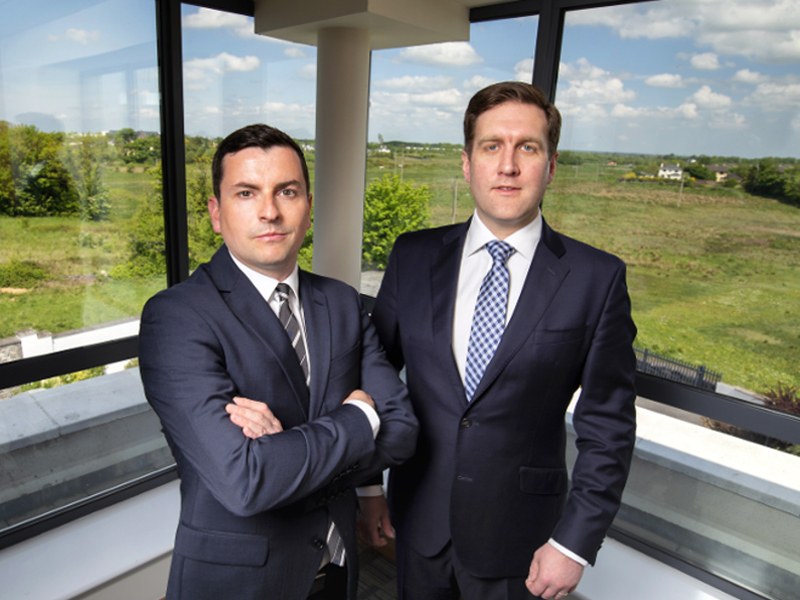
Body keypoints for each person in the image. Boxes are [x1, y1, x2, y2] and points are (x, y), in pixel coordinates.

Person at [359, 81, 638, 600]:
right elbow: (375, 376)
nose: (507, 166)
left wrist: (573, 544)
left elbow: (609, 429)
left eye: (527, 147)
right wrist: (369, 486)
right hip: (418, 523)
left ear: (550, 167)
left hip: (525, 544)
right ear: (468, 164)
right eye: (492, 147)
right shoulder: (413, 256)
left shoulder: (596, 279)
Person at [138, 123, 418, 600]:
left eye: (286, 191)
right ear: (216, 213)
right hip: (241, 582)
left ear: (308, 205)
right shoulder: (178, 317)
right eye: (246, 193)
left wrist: (285, 449)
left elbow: (404, 428)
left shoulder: (343, 303)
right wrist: (358, 417)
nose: (270, 212)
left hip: (337, 570)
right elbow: (246, 481)